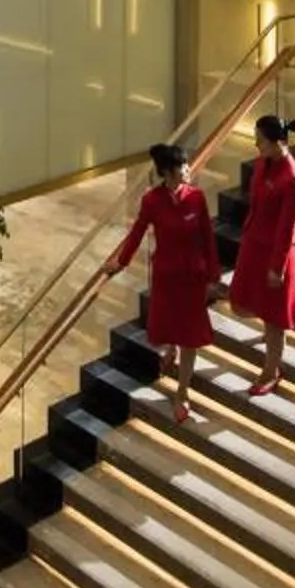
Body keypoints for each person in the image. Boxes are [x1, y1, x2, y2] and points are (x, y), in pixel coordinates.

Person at [109, 140, 220, 424]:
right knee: (170, 324)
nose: (188, 169)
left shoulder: (197, 198)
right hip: (167, 276)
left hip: (193, 278)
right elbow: (137, 233)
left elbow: (207, 238)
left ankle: (182, 391)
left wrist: (213, 275)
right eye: (183, 166)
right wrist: (121, 262)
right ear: (168, 173)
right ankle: (172, 348)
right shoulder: (152, 201)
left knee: (191, 336)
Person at [230, 113, 295, 394]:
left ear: (278, 142)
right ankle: (269, 343)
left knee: (274, 317)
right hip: (255, 245)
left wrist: (277, 267)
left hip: (275, 253)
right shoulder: (264, 163)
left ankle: (271, 370)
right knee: (250, 300)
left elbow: (286, 229)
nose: (256, 145)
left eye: (260, 140)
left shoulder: (292, 180)